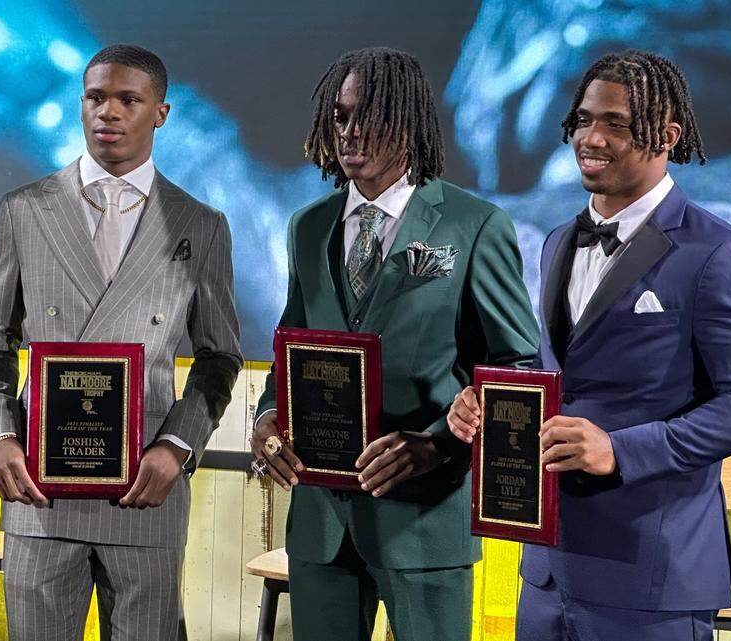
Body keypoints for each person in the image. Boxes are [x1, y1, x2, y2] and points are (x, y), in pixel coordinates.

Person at [448, 50, 731, 641]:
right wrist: (485, 399)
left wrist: (621, 449)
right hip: (547, 571)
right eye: (584, 120)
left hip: (653, 578)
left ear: (667, 135)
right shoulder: (557, 240)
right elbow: (556, 370)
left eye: (616, 123)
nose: (592, 137)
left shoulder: (718, 252)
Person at [250, 47, 538, 641]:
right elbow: (291, 344)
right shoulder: (307, 226)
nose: (350, 132)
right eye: (339, 117)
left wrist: (437, 446)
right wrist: (268, 414)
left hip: (426, 521)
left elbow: (516, 368)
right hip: (321, 526)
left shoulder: (475, 225)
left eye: (369, 116)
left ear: (407, 123)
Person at [0, 44, 242, 641]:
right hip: (40, 490)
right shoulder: (23, 210)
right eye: (95, 97)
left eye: (127, 99)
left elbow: (220, 357)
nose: (107, 112)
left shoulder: (201, 225)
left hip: (145, 486)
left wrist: (178, 445)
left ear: (161, 114)